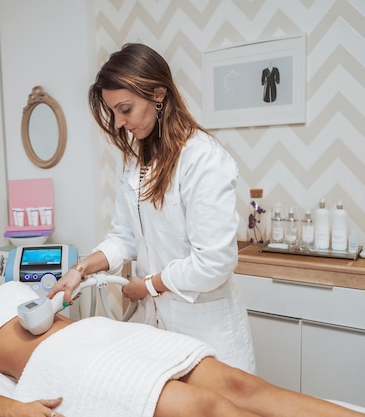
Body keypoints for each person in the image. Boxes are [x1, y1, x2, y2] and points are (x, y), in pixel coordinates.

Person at [0, 262, 364, 417]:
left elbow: (48, 308)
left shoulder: (7, 286)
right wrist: (11, 410)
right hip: (70, 365)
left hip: (103, 337)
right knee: (205, 408)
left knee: (238, 384)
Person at [48, 43, 255, 373]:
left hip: (206, 332)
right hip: (156, 330)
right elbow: (125, 237)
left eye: (125, 109)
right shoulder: (133, 162)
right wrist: (81, 269)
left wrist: (147, 285)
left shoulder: (202, 158)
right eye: (113, 111)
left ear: (158, 94)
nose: (118, 122)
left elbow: (214, 262)